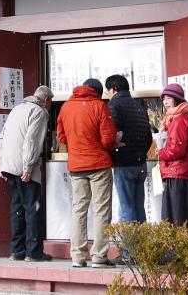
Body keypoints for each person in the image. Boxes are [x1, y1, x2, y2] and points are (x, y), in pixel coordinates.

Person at [56, 77, 117, 268]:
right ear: (98, 92)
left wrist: (77, 145)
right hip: (99, 164)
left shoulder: (66, 107)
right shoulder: (100, 106)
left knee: (79, 210)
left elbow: (61, 136)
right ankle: (99, 256)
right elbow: (108, 139)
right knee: (101, 211)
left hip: (76, 166)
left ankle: (77, 257)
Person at [0, 85, 54, 262]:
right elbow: (32, 141)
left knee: (18, 208)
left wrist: (1, 164)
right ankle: (34, 252)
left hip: (10, 165)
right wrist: (28, 167)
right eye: (50, 102)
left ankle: (17, 251)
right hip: (23, 166)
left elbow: (2, 137)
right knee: (32, 208)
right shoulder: (39, 111)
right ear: (46, 100)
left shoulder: (17, 109)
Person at [105, 74, 152, 223]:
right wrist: (140, 153)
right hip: (141, 163)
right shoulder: (139, 105)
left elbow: (112, 134)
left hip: (124, 163)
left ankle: (128, 247)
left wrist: (113, 149)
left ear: (114, 89)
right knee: (139, 207)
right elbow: (148, 137)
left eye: (108, 91)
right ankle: (142, 246)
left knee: (127, 208)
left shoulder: (114, 105)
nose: (108, 95)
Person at [157, 82, 188, 226]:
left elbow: (176, 149)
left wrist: (160, 153)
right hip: (180, 172)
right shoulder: (179, 117)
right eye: (164, 99)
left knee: (177, 218)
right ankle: (183, 248)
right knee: (180, 215)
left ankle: (180, 249)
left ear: (177, 99)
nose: (165, 102)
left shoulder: (180, 119)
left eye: (169, 98)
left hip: (178, 173)